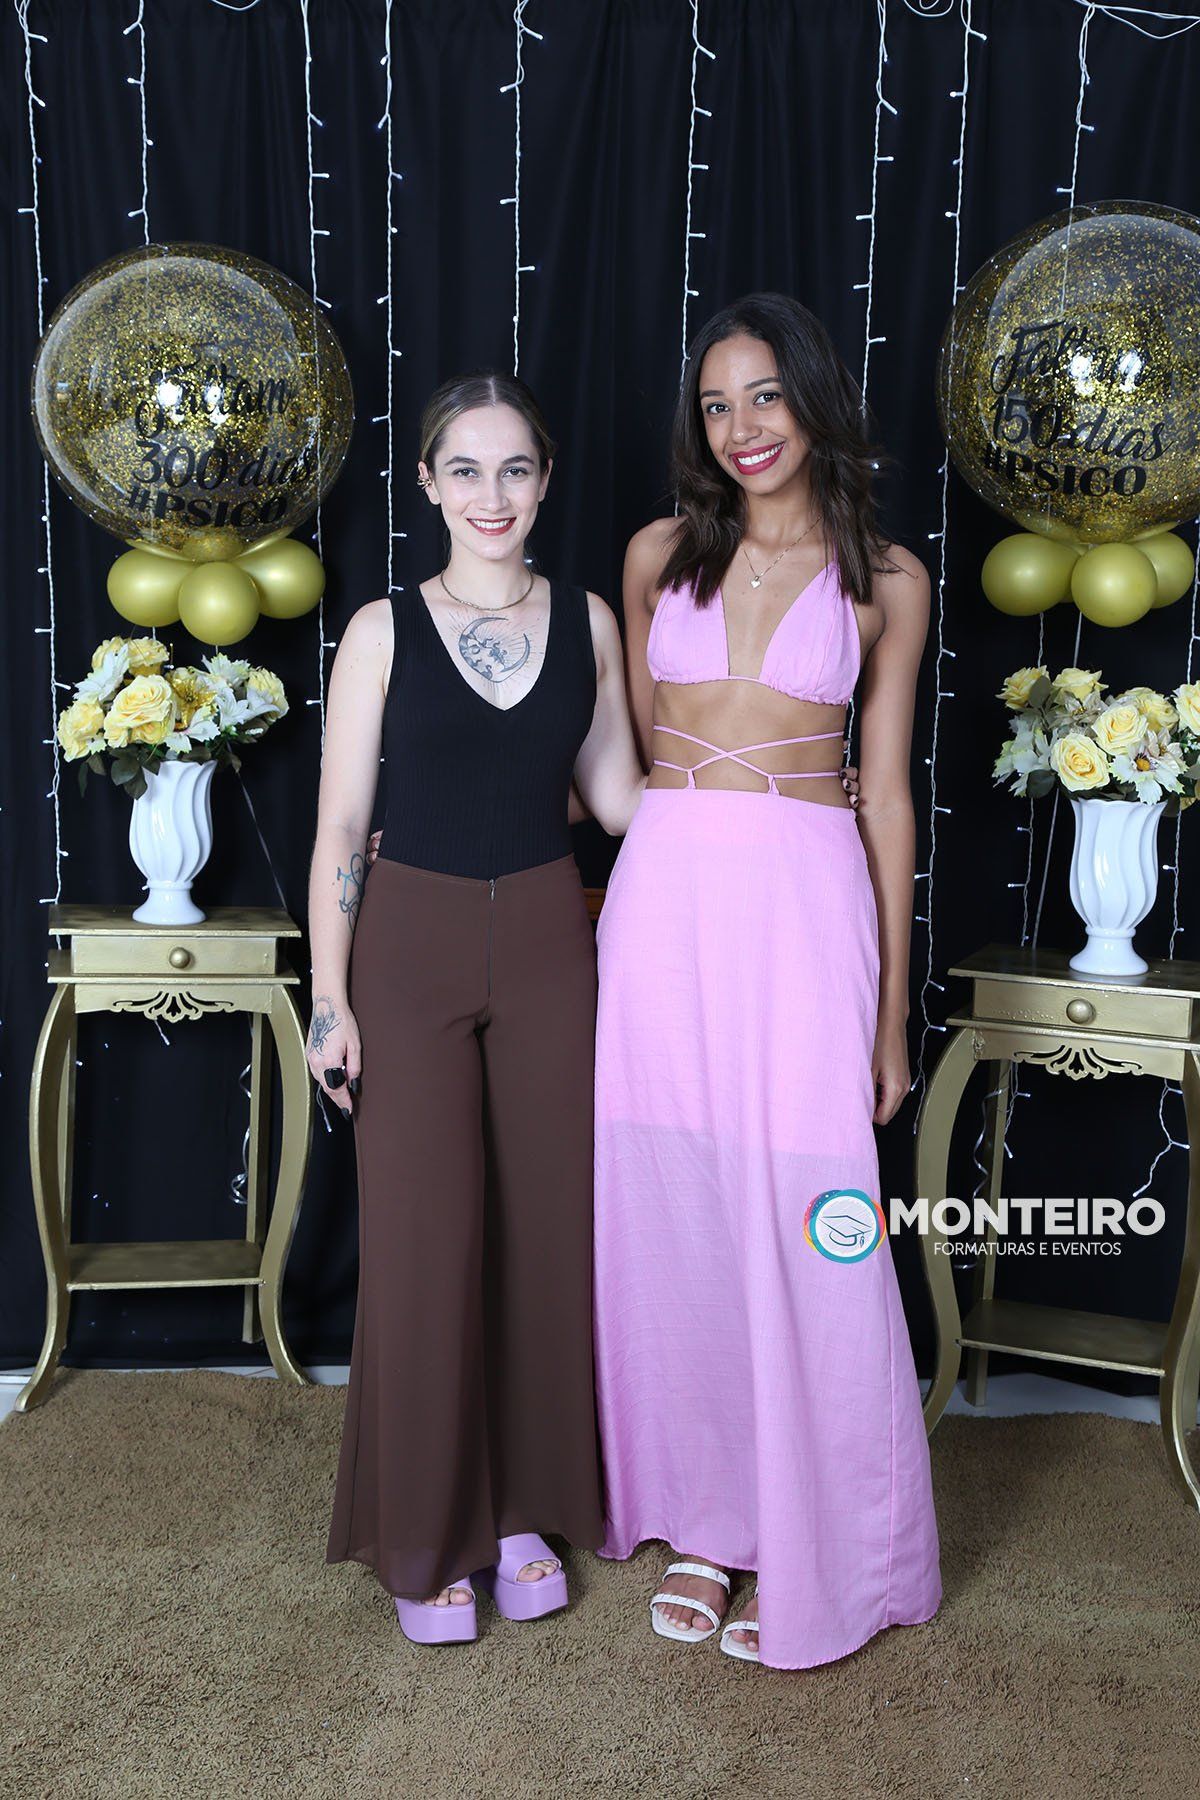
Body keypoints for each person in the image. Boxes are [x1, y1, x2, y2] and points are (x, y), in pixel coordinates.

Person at [591, 292, 943, 1668]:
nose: (742, 426)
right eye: (717, 404)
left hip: (805, 903)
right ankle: (709, 1519)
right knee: (678, 1212)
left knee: (810, 1214)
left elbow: (888, 798)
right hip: (667, 902)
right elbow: (629, 763)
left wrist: (889, 1011)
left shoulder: (887, 577)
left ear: (813, 399)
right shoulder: (656, 554)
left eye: (766, 396)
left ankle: (827, 1535)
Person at [307, 371, 645, 1645]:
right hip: (408, 948)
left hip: (555, 942)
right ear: (428, 483)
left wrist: (774, 787)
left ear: (544, 481)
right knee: (425, 1239)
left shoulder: (592, 621)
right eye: (466, 469)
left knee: (546, 1232)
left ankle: (519, 1513)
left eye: (514, 469)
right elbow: (341, 824)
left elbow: (619, 799)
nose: (490, 494)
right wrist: (329, 1000)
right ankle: (425, 1531)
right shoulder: (382, 630)